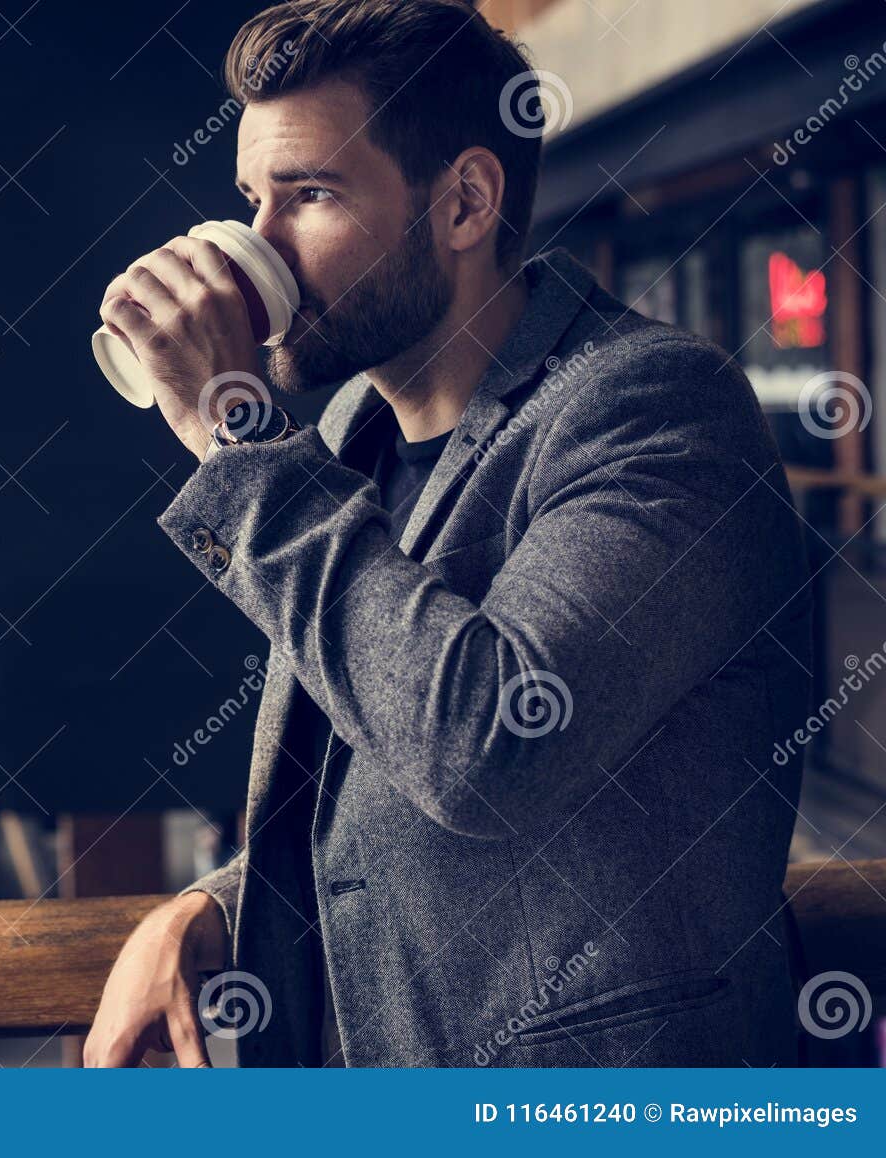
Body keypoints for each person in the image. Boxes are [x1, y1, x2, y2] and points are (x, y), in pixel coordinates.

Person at [84, 0, 812, 1068]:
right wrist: (210, 908)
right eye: (251, 198)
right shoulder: (345, 433)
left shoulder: (654, 408)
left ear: (465, 202)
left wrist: (235, 436)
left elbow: (489, 748)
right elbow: (378, 771)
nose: (259, 243)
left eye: (311, 194)